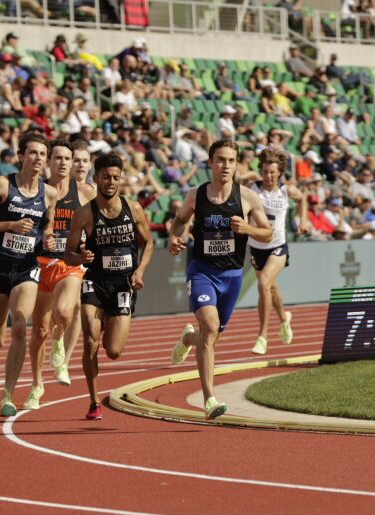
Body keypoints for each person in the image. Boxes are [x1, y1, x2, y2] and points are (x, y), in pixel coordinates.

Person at [168, 140, 273, 420]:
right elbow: (178, 221)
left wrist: (248, 227)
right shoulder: (195, 195)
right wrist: (175, 237)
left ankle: (188, 339)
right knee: (211, 327)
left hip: (232, 276)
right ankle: (209, 399)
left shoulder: (248, 197)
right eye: (220, 160)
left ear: (237, 164)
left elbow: (268, 234)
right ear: (211, 163)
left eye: (230, 160)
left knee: (210, 336)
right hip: (202, 271)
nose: (225, 165)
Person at [0, 132, 59, 417]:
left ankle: (7, 395)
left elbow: (47, 226)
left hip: (26, 266)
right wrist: (10, 224)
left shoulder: (49, 193)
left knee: (21, 326)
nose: (38, 159)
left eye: (42, 155)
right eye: (33, 153)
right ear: (21, 155)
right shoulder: (1, 185)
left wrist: (47, 237)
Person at [64, 153, 153, 420]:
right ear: (96, 179)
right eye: (105, 177)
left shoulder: (133, 208)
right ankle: (93, 402)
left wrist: (140, 270)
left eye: (115, 177)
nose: (111, 182)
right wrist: (81, 258)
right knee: (90, 341)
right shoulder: (83, 214)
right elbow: (68, 254)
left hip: (124, 285)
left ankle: (108, 324)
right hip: (95, 282)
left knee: (113, 351)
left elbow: (148, 243)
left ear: (121, 179)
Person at [29, 139, 97, 398]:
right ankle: (36, 384)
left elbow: (98, 224)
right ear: (49, 161)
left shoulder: (84, 192)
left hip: (70, 263)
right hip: (40, 263)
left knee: (65, 312)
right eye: (58, 158)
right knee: (38, 329)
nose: (63, 163)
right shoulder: (37, 191)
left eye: (67, 159)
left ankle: (63, 353)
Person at [243, 148, 309, 355]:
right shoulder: (252, 189)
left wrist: (302, 220)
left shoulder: (286, 190)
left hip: (278, 246)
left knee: (263, 284)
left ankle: (262, 337)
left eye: (272, 172)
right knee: (271, 288)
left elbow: (303, 198)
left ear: (279, 172)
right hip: (256, 247)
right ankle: (283, 319)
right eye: (264, 171)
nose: (268, 176)